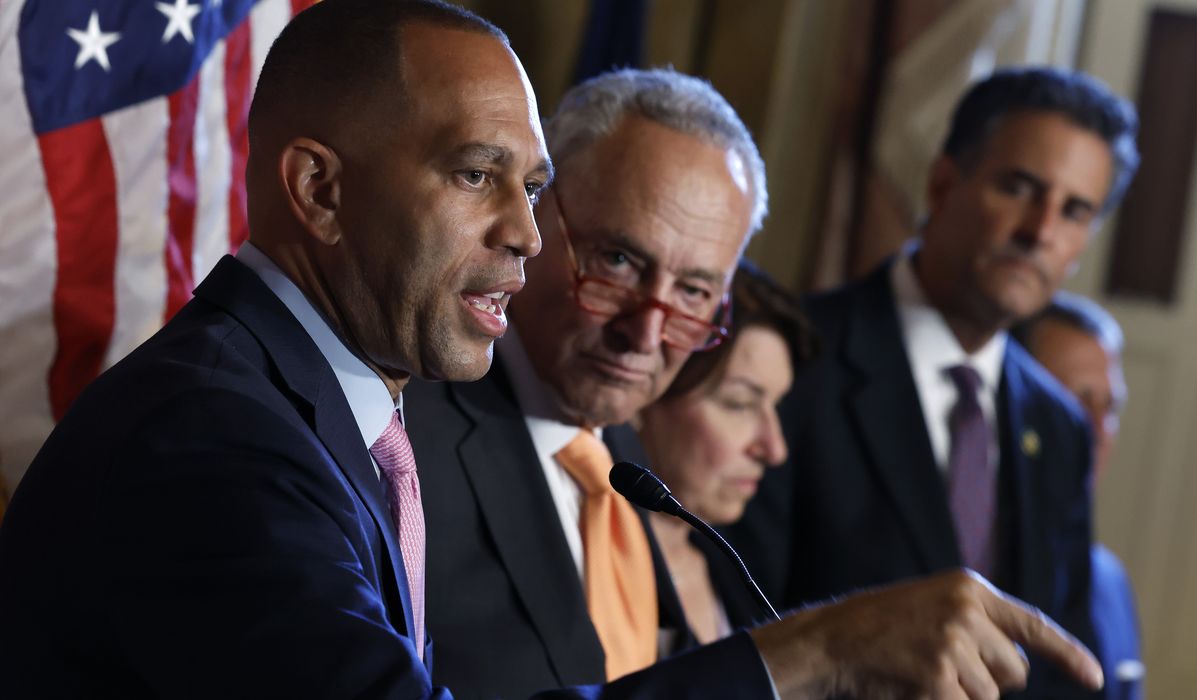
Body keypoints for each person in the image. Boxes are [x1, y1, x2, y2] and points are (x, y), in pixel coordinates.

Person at [0, 3, 1105, 697]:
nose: (528, 235)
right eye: (478, 175)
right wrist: (814, 657)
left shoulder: (324, 417)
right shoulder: (213, 441)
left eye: (530, 192)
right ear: (318, 189)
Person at [405, 63, 1103, 700]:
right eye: (615, 260)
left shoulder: (623, 455)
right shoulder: (403, 441)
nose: (647, 333)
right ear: (535, 212)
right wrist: (817, 649)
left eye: (695, 291)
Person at [728, 66, 1140, 699]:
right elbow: (737, 631)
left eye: (1075, 210)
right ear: (944, 183)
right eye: (1019, 187)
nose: (1041, 231)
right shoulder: (792, 362)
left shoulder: (1059, 428)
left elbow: (1060, 662)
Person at [635, 259, 818, 643]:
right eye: (739, 404)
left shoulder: (735, 565)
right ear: (646, 395)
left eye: (775, 406)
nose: (774, 449)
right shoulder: (583, 556)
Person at [1014, 292, 1145, 700]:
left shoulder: (1110, 582)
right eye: (1075, 401)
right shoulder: (970, 556)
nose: (1096, 430)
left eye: (1110, 408)